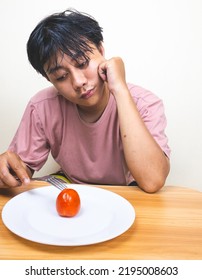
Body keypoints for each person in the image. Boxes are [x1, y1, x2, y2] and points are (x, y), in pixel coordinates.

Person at [0, 9, 170, 193]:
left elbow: (152, 181)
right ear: (50, 80)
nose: (78, 82)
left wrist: (120, 89)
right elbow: (20, 170)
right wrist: (7, 171)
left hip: (127, 192)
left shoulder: (145, 103)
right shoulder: (42, 107)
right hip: (71, 190)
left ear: (101, 50)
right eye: (61, 76)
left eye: (82, 63)